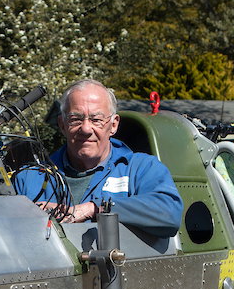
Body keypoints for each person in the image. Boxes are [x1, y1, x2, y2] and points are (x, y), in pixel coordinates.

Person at [14, 79, 182, 238]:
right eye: (75, 119)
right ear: (62, 125)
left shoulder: (141, 169)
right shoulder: (29, 178)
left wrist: (95, 208)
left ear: (113, 125)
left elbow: (169, 213)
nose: (86, 129)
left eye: (96, 120)